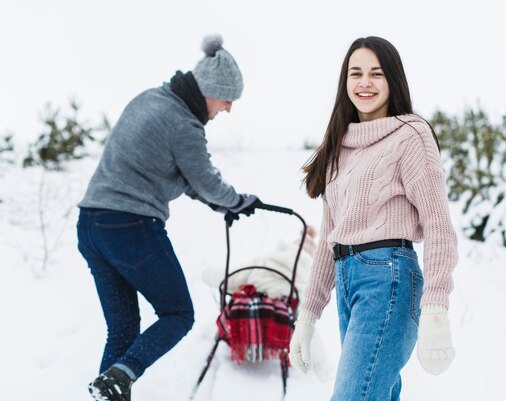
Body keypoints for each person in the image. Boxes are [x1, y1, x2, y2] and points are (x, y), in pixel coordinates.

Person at [76, 34, 261, 401]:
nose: (228, 109)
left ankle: (111, 388)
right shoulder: (183, 124)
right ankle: (120, 378)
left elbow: (174, 173)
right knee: (177, 314)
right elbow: (205, 179)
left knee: (123, 331)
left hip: (91, 226)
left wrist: (218, 203)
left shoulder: (150, 99)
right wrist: (236, 201)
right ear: (210, 90)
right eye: (228, 100)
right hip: (130, 227)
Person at [289, 36, 459, 401]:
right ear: (345, 82)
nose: (364, 82)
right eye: (356, 73)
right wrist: (307, 316)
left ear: (392, 80)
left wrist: (435, 307)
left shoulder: (411, 135)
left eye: (376, 73)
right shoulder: (339, 144)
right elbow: (330, 239)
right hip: (348, 279)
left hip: (388, 277)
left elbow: (439, 227)